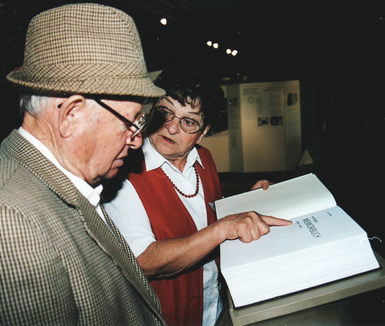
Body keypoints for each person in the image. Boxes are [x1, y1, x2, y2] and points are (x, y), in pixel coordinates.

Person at [0, 3, 168, 325]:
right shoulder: (3, 224)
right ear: (70, 116)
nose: (137, 140)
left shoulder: (65, 180)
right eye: (130, 123)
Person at [103, 68, 292, 326]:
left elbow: (210, 217)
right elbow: (143, 260)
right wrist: (222, 228)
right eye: (165, 112)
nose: (171, 127)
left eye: (188, 121)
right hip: (169, 317)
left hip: (216, 306)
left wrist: (247, 204)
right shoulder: (124, 173)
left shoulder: (204, 159)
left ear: (202, 132)